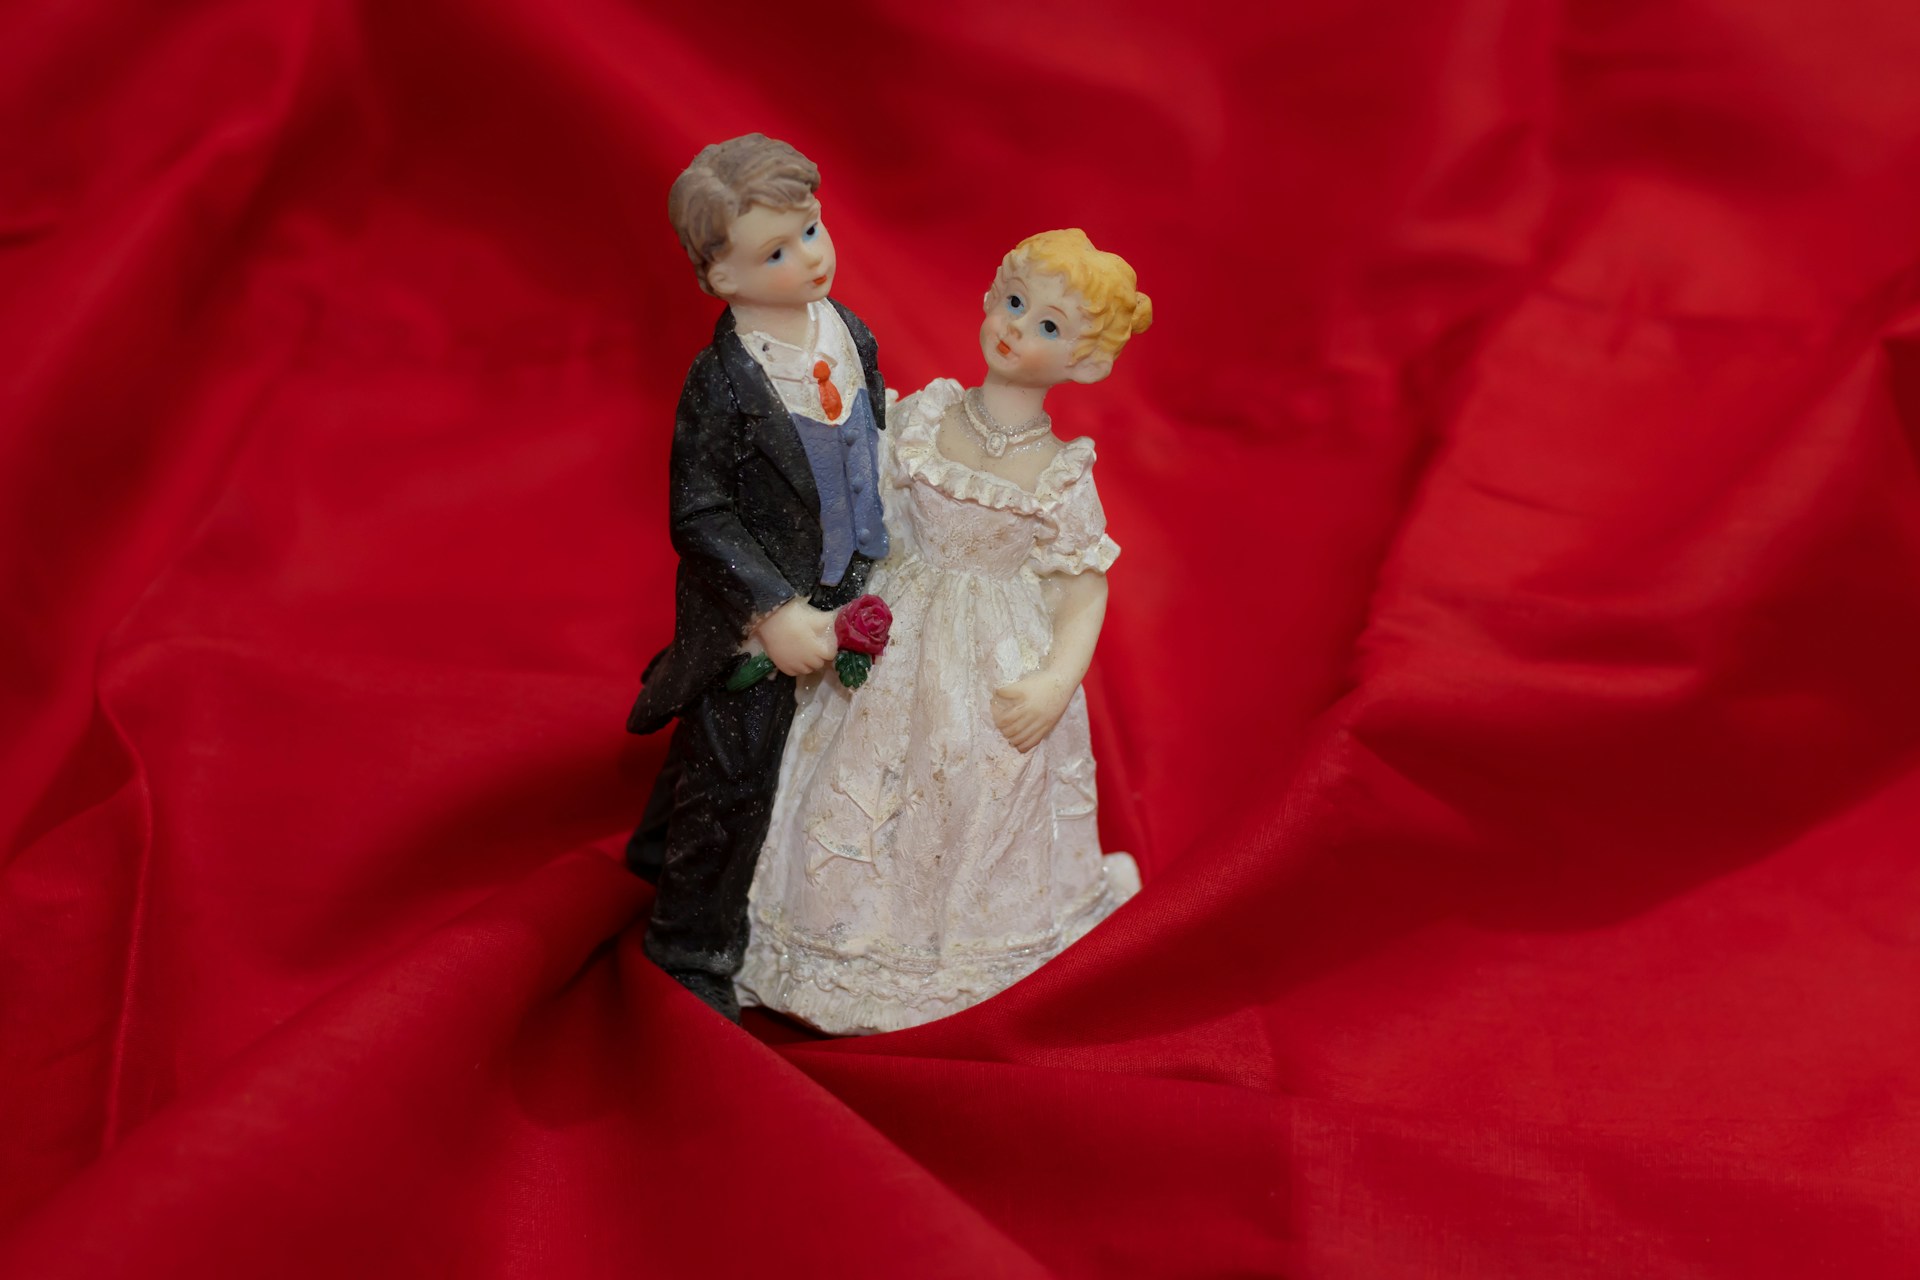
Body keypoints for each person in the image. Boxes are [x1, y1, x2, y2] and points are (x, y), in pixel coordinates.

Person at [737, 229, 1150, 1034]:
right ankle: (833, 944)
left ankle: (959, 953)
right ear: (991, 297)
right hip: (893, 635)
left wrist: (1056, 678)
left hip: (994, 659)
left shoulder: (1060, 473)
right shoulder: (921, 418)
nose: (1017, 328)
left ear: (1087, 364)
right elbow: (860, 514)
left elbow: (1081, 587)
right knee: (857, 772)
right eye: (1017, 302)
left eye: (1051, 328)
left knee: (972, 784)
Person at [625, 134, 889, 1022]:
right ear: (719, 279)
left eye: (811, 232)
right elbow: (697, 511)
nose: (808, 259)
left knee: (821, 757)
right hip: (758, 613)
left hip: (848, 583)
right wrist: (772, 607)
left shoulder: (849, 334)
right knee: (732, 769)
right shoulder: (721, 383)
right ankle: (689, 941)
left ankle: (673, 849)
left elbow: (868, 450)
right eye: (775, 252)